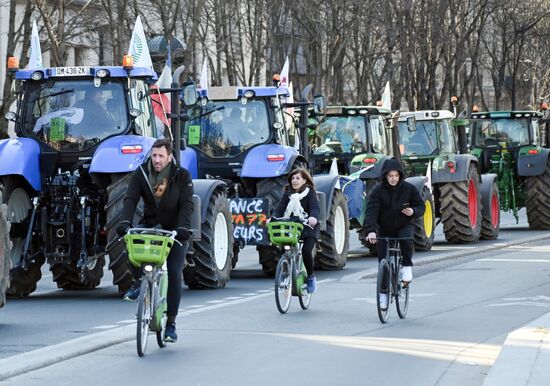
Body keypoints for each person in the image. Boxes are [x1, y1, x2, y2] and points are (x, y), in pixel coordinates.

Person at [116, 138, 194, 343]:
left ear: (169, 157)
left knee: (175, 272)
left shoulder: (182, 175)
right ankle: (136, 283)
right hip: (150, 226)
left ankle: (171, 324)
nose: (157, 160)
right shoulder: (141, 173)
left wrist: (184, 227)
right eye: (154, 155)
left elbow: (187, 205)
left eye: (161, 156)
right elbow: (130, 199)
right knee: (128, 241)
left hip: (175, 231)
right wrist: (125, 221)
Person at [364, 158, 425, 310]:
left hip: (403, 225)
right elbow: (371, 212)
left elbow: (421, 206)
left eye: (396, 176)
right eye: (390, 176)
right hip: (384, 228)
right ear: (385, 176)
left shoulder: (408, 188)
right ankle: (383, 294)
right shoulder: (377, 191)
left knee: (406, 239)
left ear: (400, 176)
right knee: (383, 262)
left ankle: (407, 267)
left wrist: (413, 211)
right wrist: (371, 231)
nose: (393, 179)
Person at [270, 168, 320, 293]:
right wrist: (273, 218)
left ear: (304, 180)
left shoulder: (310, 193)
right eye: (292, 178)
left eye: (298, 178)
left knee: (306, 250)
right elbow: (280, 208)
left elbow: (315, 207)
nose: (294, 181)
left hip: (308, 227)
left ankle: (310, 277)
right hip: (292, 227)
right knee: (284, 246)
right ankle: (285, 270)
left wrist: (313, 217)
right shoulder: (288, 194)